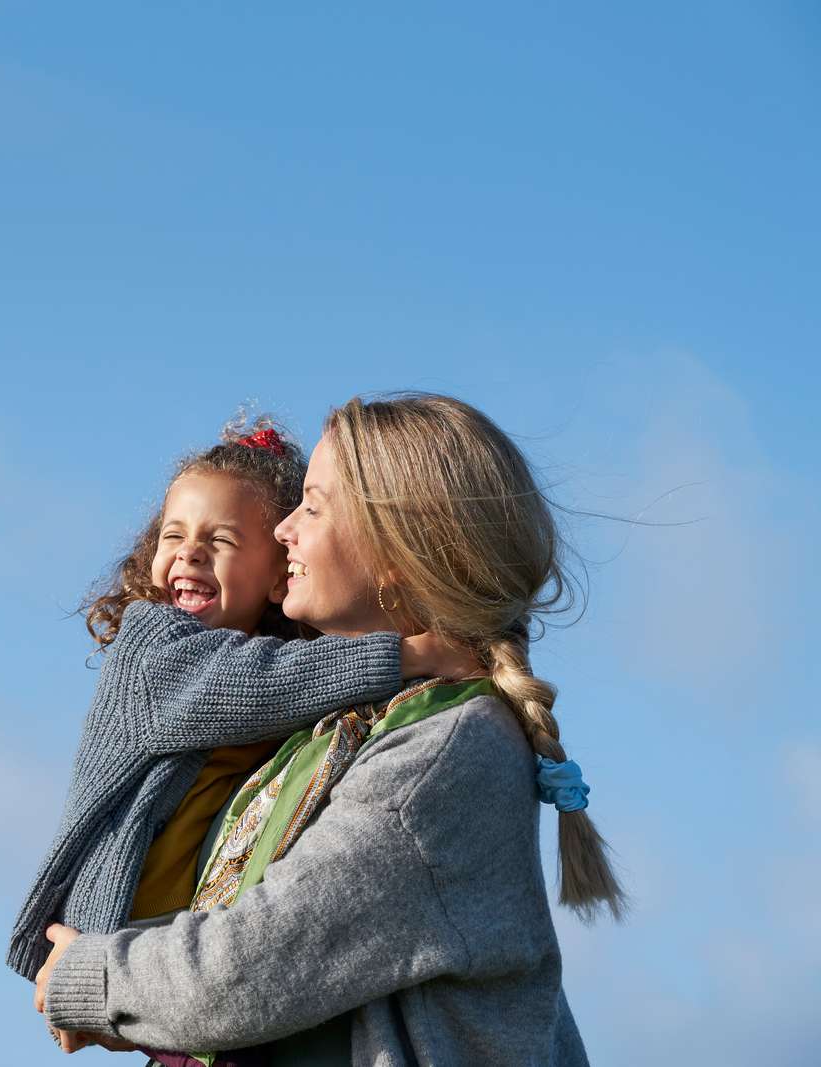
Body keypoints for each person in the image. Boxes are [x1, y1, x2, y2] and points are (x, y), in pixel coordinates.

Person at [36, 393, 624, 1065]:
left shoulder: (446, 749)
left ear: (398, 552)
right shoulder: (333, 734)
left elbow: (248, 967)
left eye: (312, 506)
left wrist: (93, 975)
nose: (284, 528)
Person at [8, 414, 472, 999]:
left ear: (281, 575)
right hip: (117, 917)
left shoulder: (292, 662)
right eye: (172, 536)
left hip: (198, 936)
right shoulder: (151, 649)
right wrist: (411, 656)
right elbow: (259, 684)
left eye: (220, 540)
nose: (190, 554)